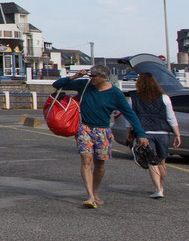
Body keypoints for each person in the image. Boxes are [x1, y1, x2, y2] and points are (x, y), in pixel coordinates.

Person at [52, 66, 147, 208]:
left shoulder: (115, 93)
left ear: (103, 77)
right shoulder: (85, 85)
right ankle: (90, 196)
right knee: (86, 159)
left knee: (100, 163)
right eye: (90, 75)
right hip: (84, 128)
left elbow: (130, 114)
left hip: (103, 130)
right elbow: (57, 85)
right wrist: (75, 76)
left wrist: (140, 134)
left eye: (94, 76)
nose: (91, 78)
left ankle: (95, 192)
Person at [125, 71, 182, 199]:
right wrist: (177, 134)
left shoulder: (134, 98)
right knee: (162, 161)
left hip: (145, 133)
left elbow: (130, 117)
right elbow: (171, 117)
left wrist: (128, 131)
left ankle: (157, 189)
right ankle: (161, 186)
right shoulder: (164, 98)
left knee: (152, 161)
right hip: (162, 132)